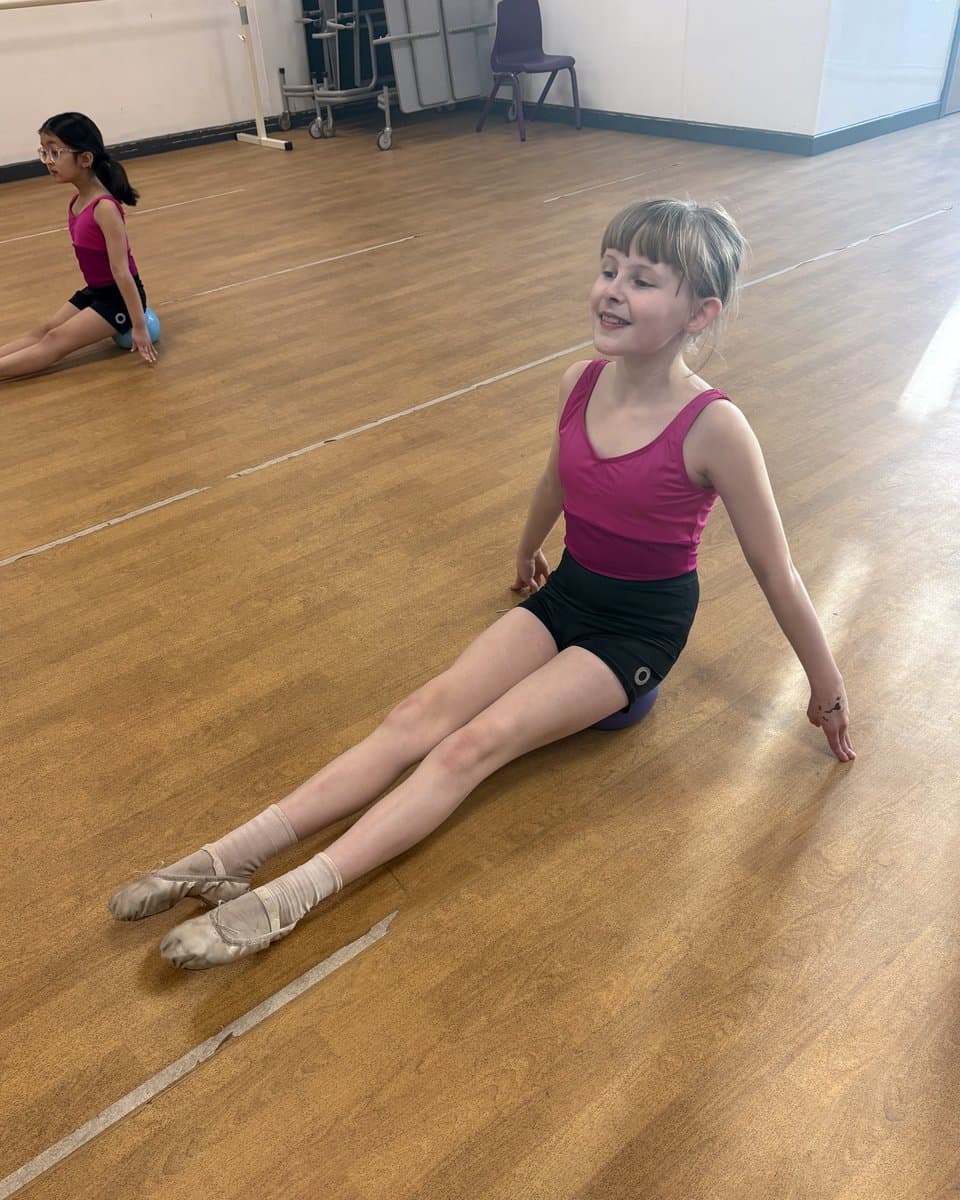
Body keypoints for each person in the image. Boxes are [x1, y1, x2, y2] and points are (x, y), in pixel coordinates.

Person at [109, 198, 855, 971]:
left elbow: (777, 570)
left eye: (641, 280)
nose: (611, 290)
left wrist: (825, 691)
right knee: (416, 714)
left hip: (638, 630)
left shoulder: (716, 427)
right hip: (569, 593)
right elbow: (558, 478)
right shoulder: (580, 381)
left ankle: (289, 899)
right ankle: (229, 855)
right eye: (607, 269)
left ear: (700, 314)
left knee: (473, 744)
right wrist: (528, 550)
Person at [0, 112, 157, 381]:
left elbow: (122, 272)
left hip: (118, 300)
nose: (48, 162)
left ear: (85, 159)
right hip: (97, 291)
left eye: (55, 153)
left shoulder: (105, 208)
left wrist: (139, 325)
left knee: (54, 341)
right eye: (44, 152)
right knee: (44, 330)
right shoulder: (76, 201)